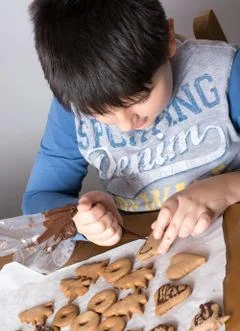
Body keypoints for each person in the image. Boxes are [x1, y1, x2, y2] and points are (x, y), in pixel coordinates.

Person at [23, 0, 240, 254]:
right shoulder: (74, 107)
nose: (126, 127)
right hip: (147, 249)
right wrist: (81, 218)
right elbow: (38, 197)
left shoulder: (226, 74)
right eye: (101, 114)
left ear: (168, 39)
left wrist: (227, 189)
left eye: (139, 99)